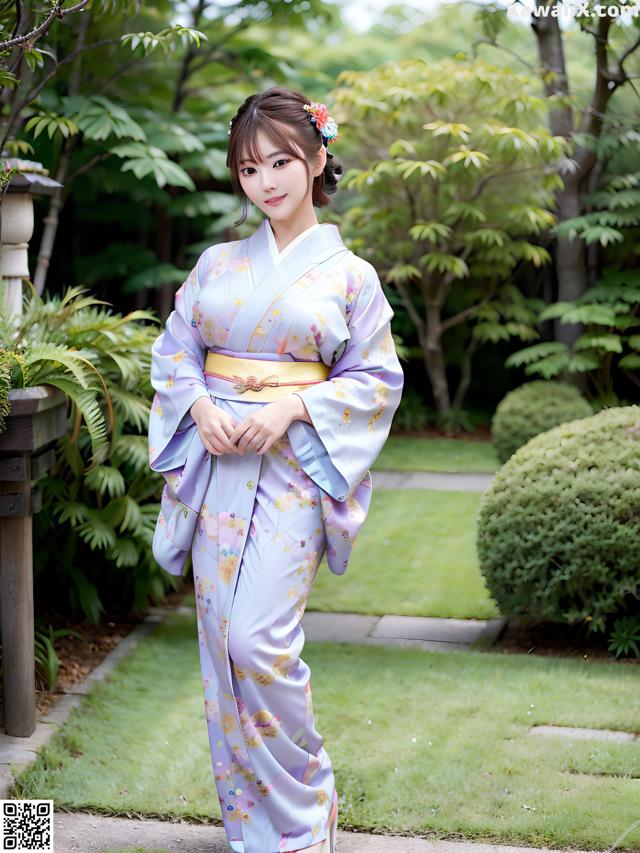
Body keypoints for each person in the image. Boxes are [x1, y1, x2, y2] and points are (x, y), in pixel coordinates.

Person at [147, 86, 404, 853]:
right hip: (222, 461)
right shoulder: (218, 264)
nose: (267, 182)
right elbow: (175, 352)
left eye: (282, 161)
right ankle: (255, 825)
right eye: (250, 168)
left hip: (293, 470)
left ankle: (306, 805)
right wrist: (198, 408)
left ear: (318, 158)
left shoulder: (352, 277)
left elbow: (375, 380)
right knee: (223, 641)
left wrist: (291, 410)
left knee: (259, 638)